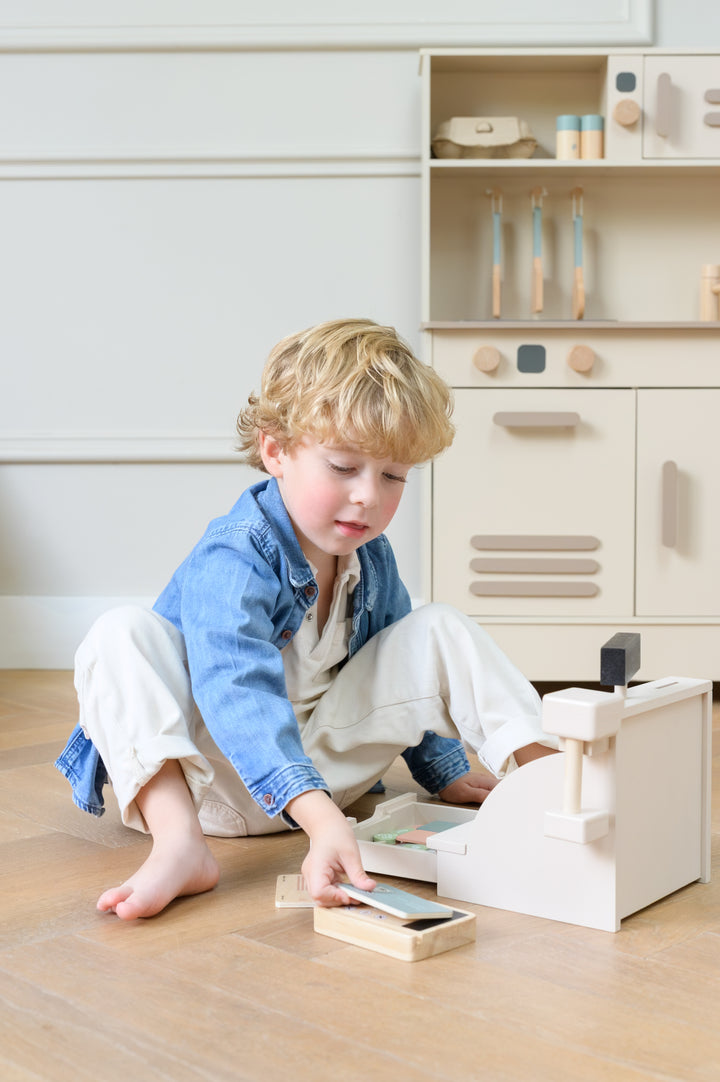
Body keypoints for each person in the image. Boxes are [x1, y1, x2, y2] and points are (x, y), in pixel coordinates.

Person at [56, 317, 555, 921]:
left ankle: (552, 789)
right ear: (275, 451)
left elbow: (403, 670)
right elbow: (234, 690)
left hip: (324, 783)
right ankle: (178, 845)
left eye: (393, 475)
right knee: (118, 632)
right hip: (215, 785)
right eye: (344, 467)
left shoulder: (370, 558)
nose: (369, 495)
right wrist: (318, 818)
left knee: (436, 624)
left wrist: (443, 772)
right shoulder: (234, 555)